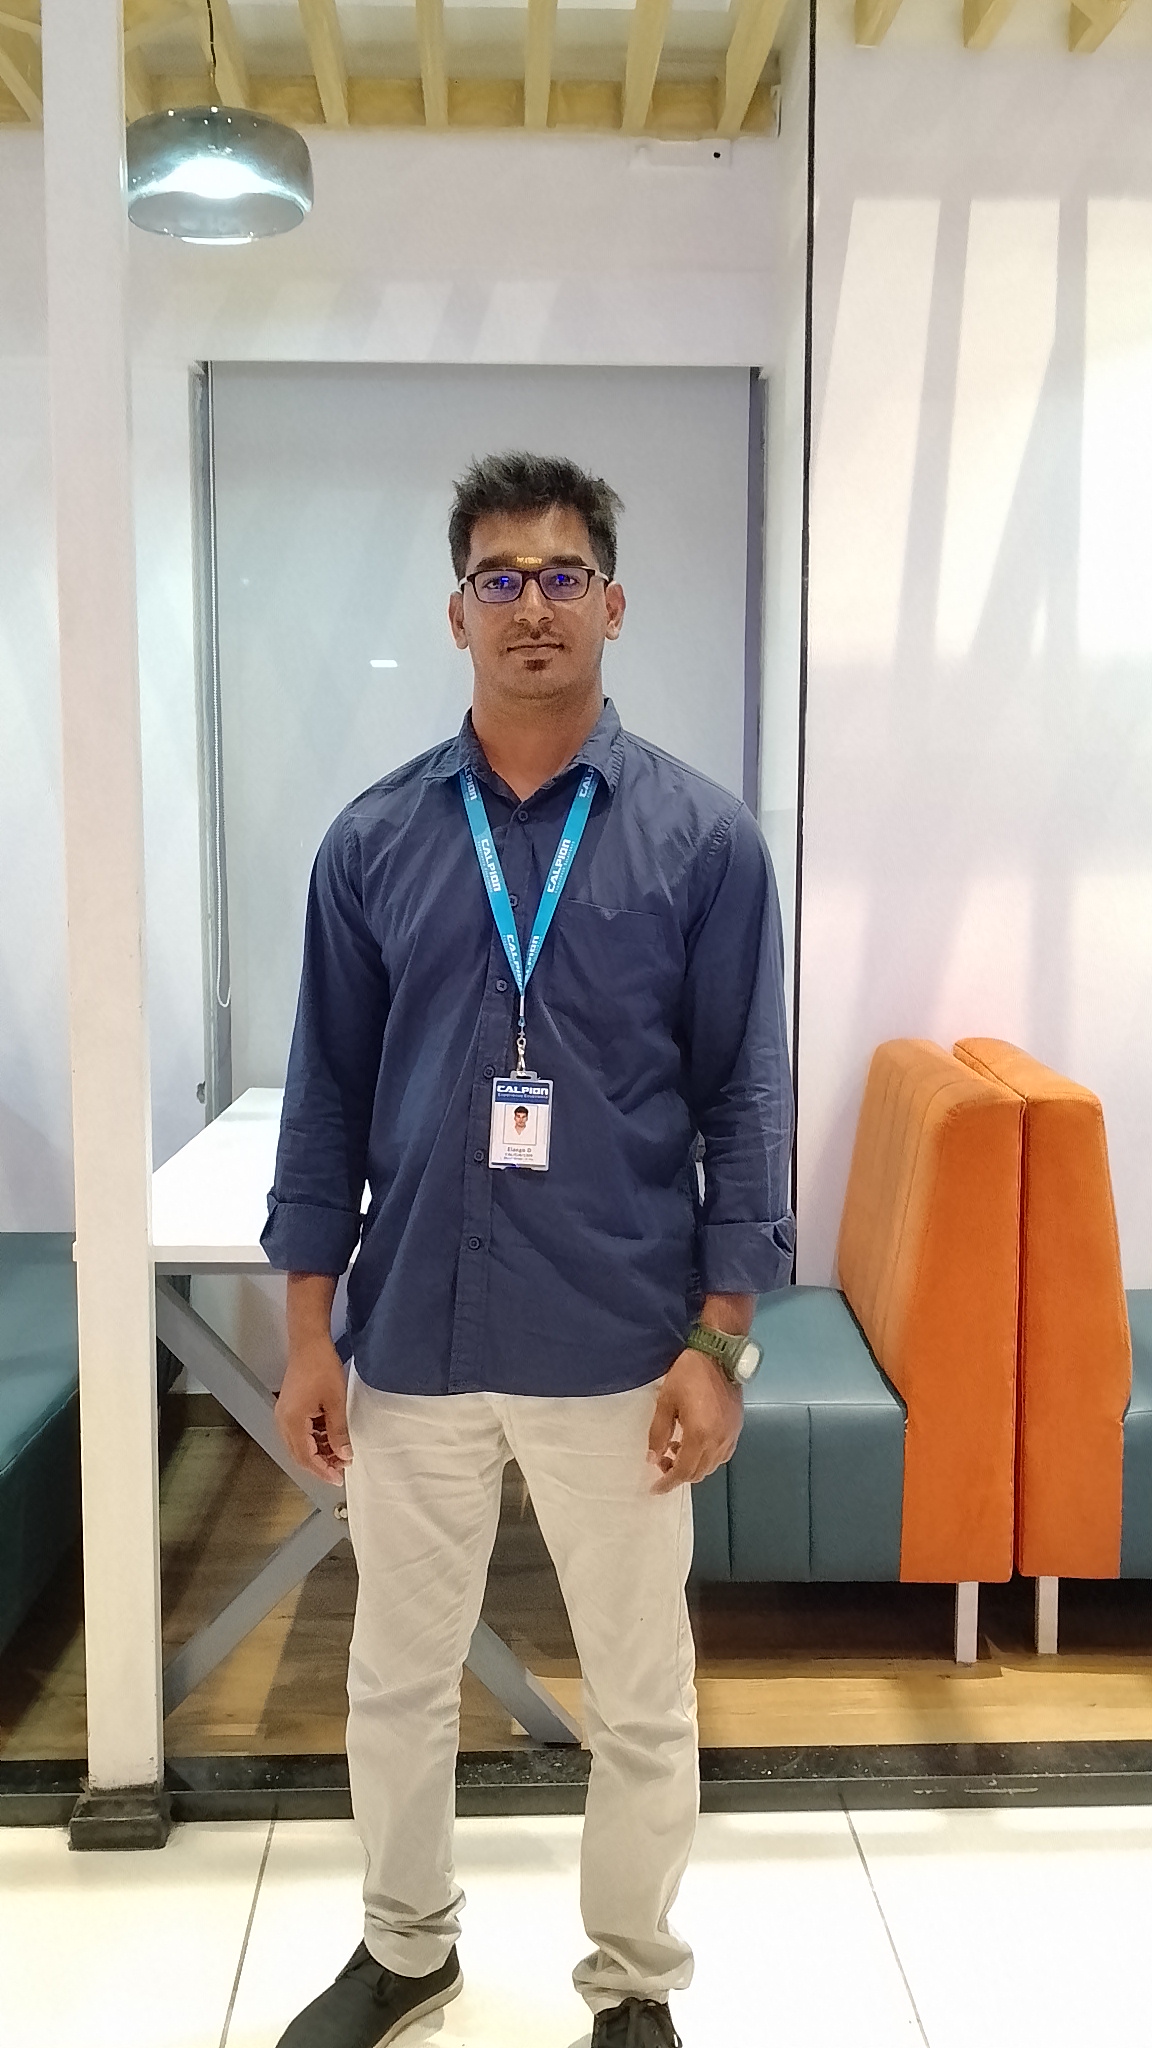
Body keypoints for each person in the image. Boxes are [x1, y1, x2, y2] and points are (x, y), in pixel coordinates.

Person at [264, 451, 795, 2048]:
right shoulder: (372, 842)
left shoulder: (704, 843)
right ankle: (405, 1947)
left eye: (563, 577)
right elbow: (325, 1098)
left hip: (618, 1339)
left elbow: (744, 1099)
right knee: (395, 1678)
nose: (533, 607)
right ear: (458, 615)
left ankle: (632, 1983)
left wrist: (719, 1339)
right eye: (500, 580)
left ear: (613, 604)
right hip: (415, 1335)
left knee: (640, 1695)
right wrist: (306, 1333)